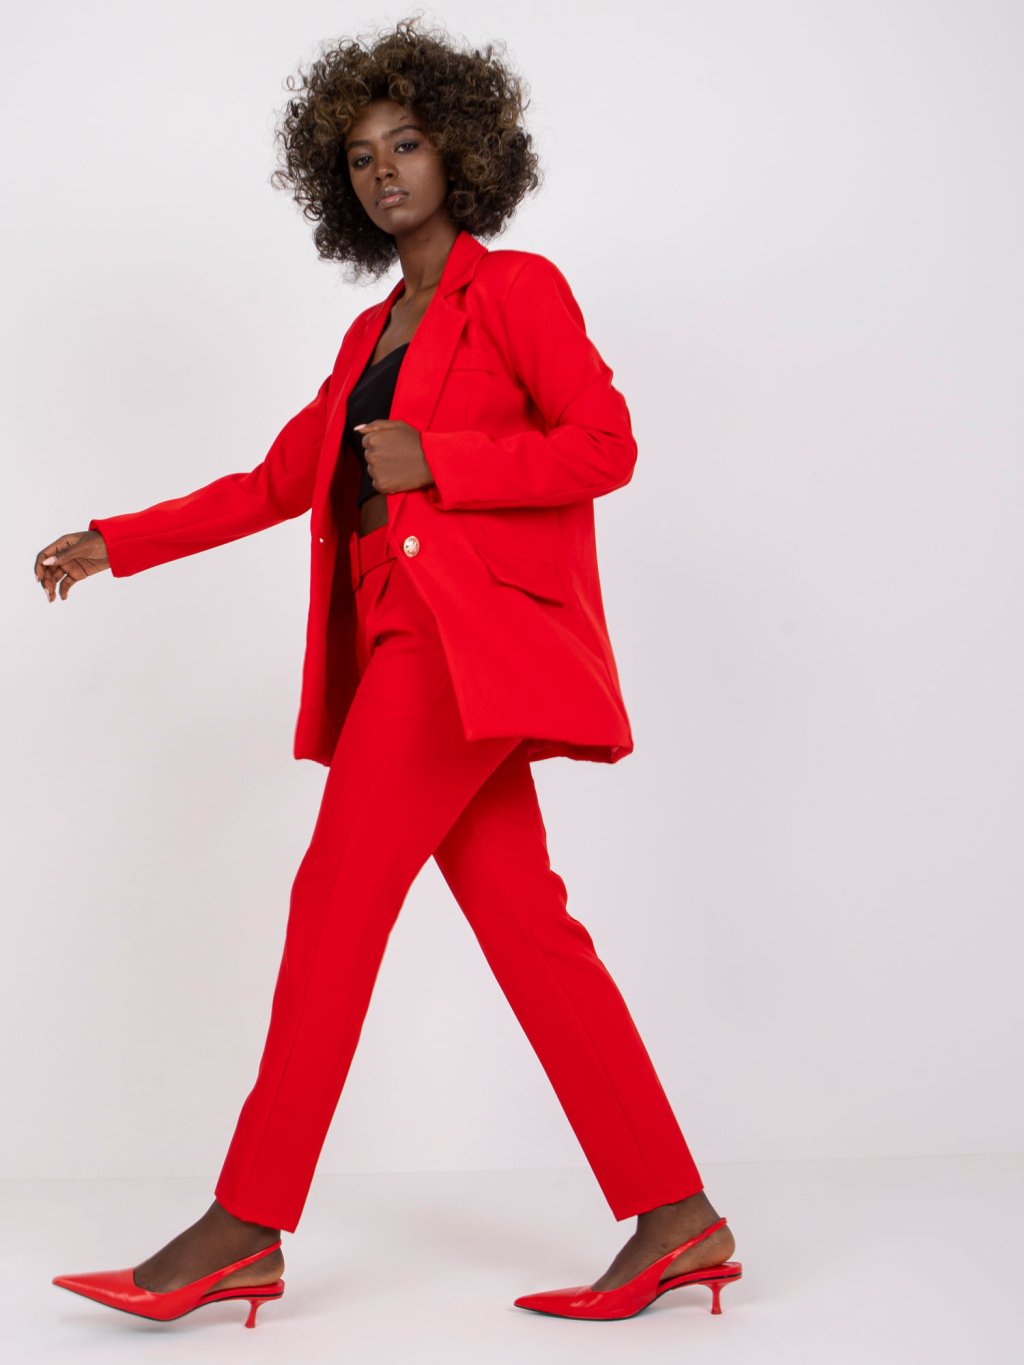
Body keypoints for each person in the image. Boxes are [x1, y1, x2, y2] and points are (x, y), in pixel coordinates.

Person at [38, 17, 740, 1328]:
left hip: (462, 643)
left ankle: (245, 1223)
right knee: (531, 930)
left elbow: (605, 443)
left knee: (334, 900)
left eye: (406, 144)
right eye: (360, 157)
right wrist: (115, 541)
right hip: (405, 646)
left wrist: (442, 463)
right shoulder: (369, 337)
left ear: (459, 152)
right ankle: (677, 1213)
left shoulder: (516, 291)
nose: (384, 172)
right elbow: (277, 481)